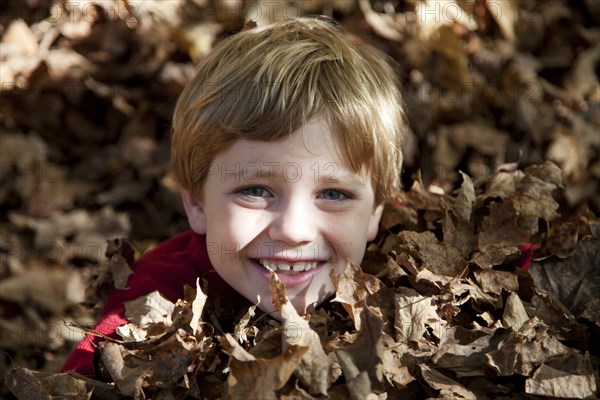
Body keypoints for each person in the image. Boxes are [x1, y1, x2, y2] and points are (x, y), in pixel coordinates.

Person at [62, 16, 404, 377]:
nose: (294, 230)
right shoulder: (156, 298)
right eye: (255, 191)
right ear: (197, 203)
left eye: (334, 194)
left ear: (374, 213)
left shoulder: (400, 275)